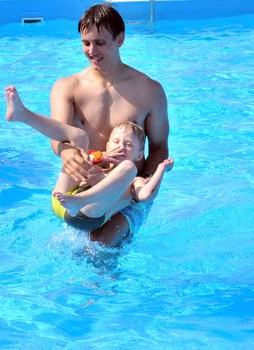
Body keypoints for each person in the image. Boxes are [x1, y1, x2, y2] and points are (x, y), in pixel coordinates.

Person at [11, 4, 170, 246]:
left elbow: (159, 146)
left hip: (127, 191)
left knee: (103, 243)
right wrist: (67, 154)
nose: (91, 50)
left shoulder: (150, 91)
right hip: (84, 185)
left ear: (120, 39)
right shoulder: (67, 87)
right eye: (86, 43)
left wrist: (144, 185)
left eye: (100, 42)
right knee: (76, 139)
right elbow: (60, 139)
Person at [5, 86, 173, 233]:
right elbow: (84, 158)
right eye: (116, 142)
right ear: (107, 146)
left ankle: (81, 200)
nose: (121, 147)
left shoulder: (134, 179)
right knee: (79, 137)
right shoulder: (98, 162)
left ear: (139, 154)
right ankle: (23, 114)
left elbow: (145, 196)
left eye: (128, 145)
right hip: (61, 201)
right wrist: (101, 157)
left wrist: (160, 170)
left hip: (88, 217)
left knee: (128, 168)